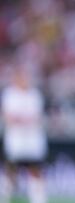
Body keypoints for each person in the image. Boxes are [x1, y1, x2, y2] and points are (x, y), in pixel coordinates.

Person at [1, 68, 48, 203]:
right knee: (11, 170)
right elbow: (10, 116)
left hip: (33, 140)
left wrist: (23, 119)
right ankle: (5, 197)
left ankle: (38, 199)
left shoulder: (35, 94)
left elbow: (36, 116)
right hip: (16, 141)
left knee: (36, 170)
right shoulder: (9, 94)